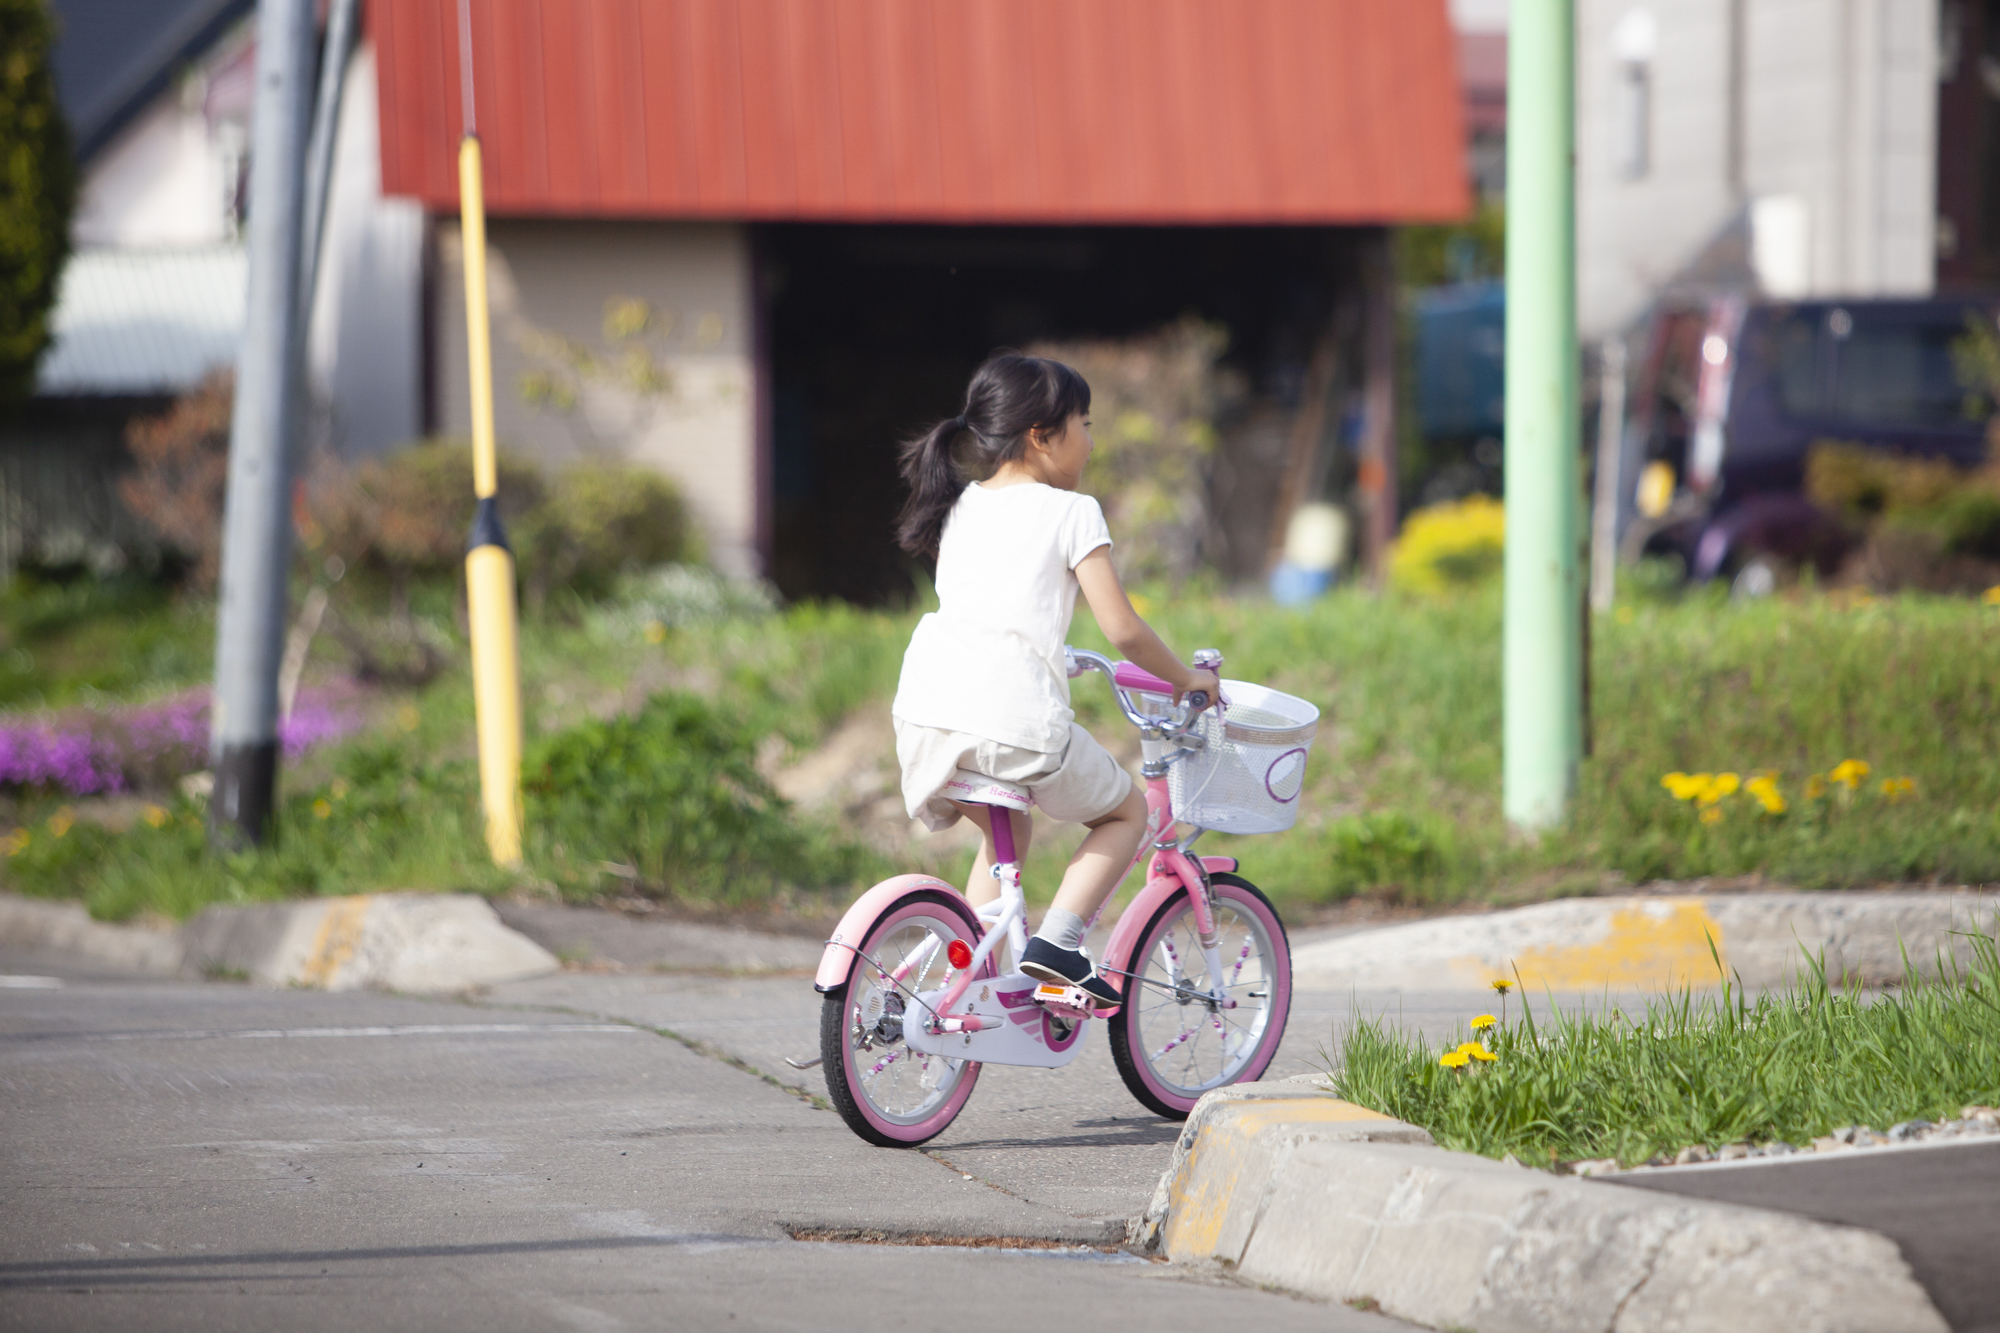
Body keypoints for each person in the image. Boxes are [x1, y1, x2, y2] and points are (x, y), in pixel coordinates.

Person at [889, 353, 1216, 1009]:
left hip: (929, 712)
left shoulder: (962, 508)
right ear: (1042, 433)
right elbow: (1122, 628)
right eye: (1084, 424)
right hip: (1011, 719)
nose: (1091, 441)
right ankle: (1059, 948)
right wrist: (1187, 678)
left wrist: (1057, 654)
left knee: (1006, 832)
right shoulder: (1073, 512)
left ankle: (964, 980)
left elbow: (997, 615)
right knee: (1126, 811)